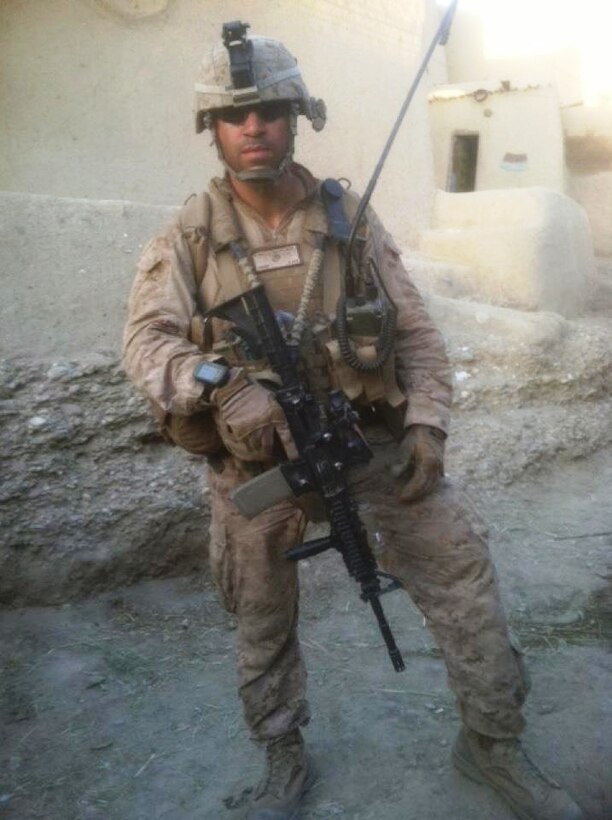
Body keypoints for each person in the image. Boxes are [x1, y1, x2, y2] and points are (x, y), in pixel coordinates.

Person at [123, 22, 585, 820]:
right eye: (236, 114)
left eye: (270, 108)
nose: (255, 126)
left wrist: (427, 425)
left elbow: (415, 333)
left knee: (463, 575)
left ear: (297, 115)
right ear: (215, 129)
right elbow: (143, 343)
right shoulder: (190, 237)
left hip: (366, 446)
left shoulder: (350, 221)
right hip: (257, 468)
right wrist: (224, 387)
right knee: (260, 616)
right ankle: (281, 760)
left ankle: (492, 747)